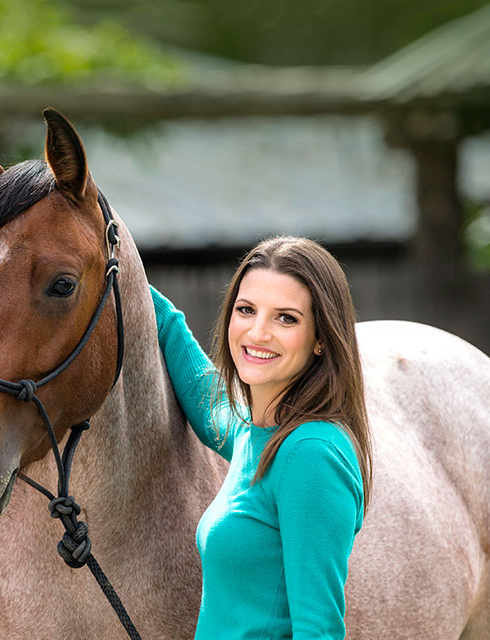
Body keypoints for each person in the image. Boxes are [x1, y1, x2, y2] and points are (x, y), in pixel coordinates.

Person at [148, 235, 373, 639]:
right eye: (246, 310)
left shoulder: (311, 453)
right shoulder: (258, 435)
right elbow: (210, 403)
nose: (257, 332)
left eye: (285, 318)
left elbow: (318, 630)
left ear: (322, 339)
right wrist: (123, 277)